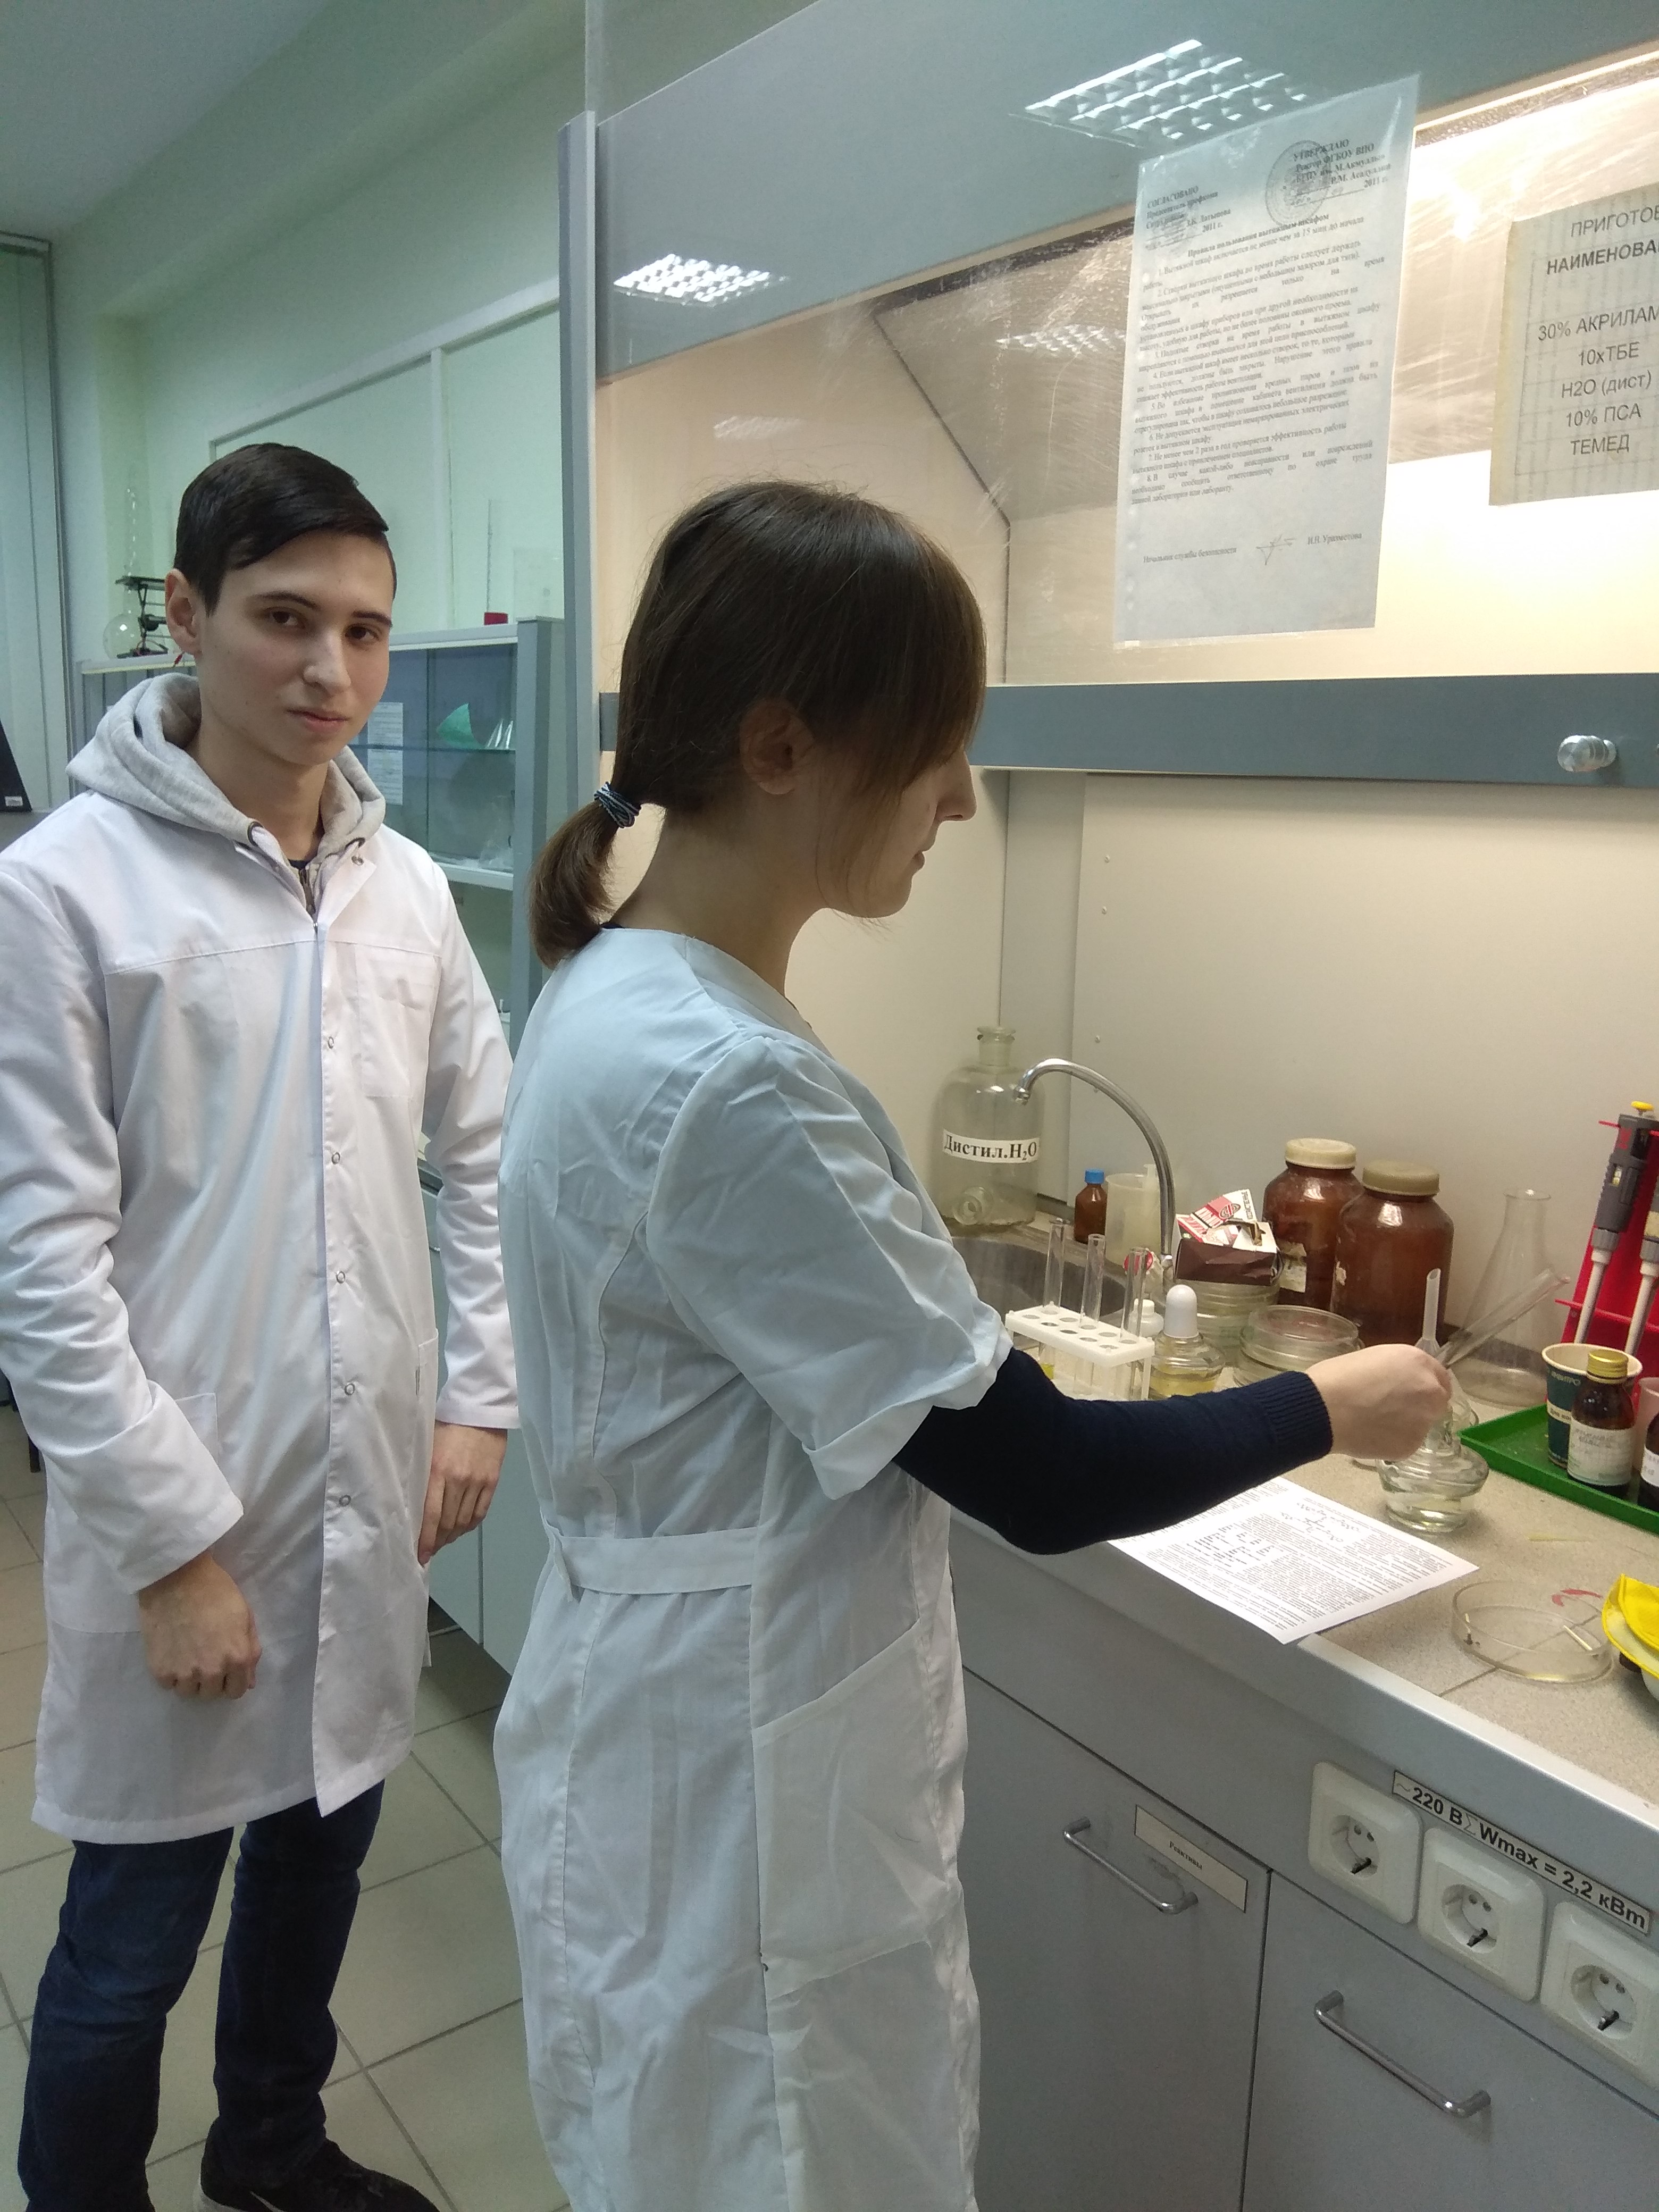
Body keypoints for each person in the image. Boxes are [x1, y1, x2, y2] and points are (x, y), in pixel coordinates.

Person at [493, 479, 1449, 2211]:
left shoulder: (622, 988)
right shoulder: (730, 1080)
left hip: (670, 1728)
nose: (959, 797)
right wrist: (1336, 1399)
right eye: (937, 747)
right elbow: (1042, 1474)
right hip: (740, 1789)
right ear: (781, 746)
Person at [0, 444, 517, 2212]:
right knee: (130, 1940)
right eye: (286, 620)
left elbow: (488, 1153)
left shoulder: (406, 889)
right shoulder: (66, 891)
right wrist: (169, 1549)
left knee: (317, 1875)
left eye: (365, 631)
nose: (330, 670)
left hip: (364, 1498)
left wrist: (479, 1400)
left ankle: (273, 2149)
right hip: (187, 1519)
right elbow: (40, 1262)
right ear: (187, 611)